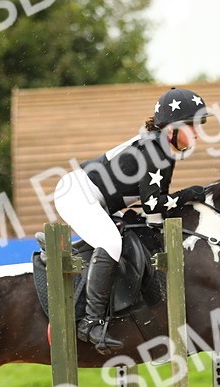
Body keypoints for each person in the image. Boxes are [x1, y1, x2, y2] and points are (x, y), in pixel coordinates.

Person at [53, 87, 211, 354]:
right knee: (112, 244)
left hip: (97, 199)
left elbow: (154, 213)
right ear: (172, 127)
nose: (197, 132)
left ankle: (62, 254)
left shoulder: (162, 149)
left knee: (131, 236)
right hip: (79, 195)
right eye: (192, 125)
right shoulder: (156, 150)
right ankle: (90, 322)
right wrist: (189, 194)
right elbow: (152, 205)